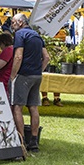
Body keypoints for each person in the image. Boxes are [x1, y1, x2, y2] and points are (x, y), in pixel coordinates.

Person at [10, 13, 50, 152]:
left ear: (21, 22)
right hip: (36, 76)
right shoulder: (36, 36)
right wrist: (39, 70)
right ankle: (34, 141)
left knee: (17, 108)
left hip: (24, 75)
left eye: (13, 22)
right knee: (33, 107)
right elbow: (46, 57)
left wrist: (13, 75)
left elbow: (18, 56)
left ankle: (21, 140)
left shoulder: (20, 35)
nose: (12, 25)